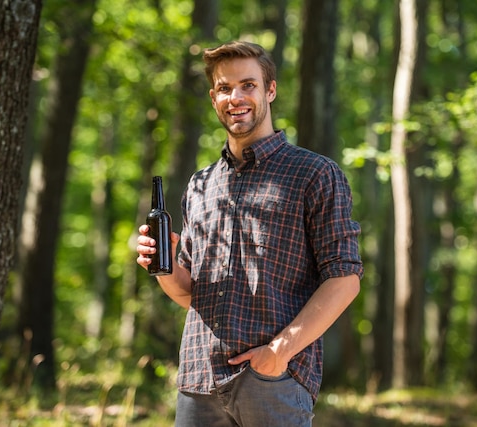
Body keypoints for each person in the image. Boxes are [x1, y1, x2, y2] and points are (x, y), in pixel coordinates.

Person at [136, 40, 363, 427]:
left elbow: (344, 280)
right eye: (225, 88)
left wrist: (277, 353)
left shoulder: (314, 174)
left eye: (248, 85)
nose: (235, 97)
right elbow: (190, 294)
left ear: (270, 90)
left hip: (273, 383)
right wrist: (163, 266)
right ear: (213, 97)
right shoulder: (201, 185)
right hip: (198, 382)